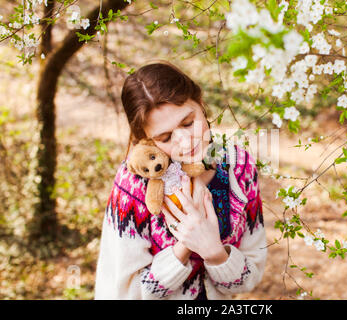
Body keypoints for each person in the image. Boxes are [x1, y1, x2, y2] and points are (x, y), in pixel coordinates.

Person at [94, 59, 267, 299]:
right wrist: (184, 246)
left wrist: (215, 252)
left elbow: (250, 277)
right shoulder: (133, 185)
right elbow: (124, 293)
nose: (186, 140)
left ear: (201, 103)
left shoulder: (240, 166)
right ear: (145, 139)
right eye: (165, 138)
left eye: (188, 122)